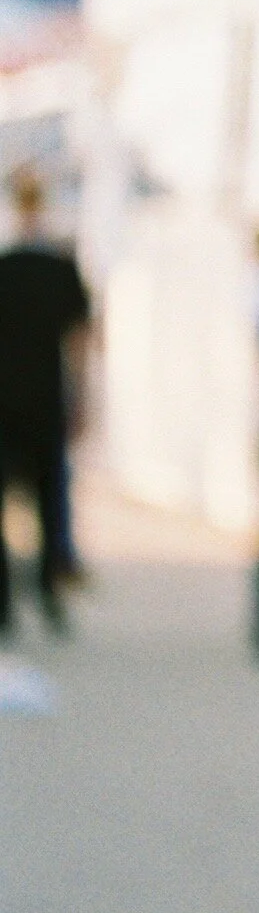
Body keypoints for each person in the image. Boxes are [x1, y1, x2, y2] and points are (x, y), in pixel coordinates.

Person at [0, 166, 90, 635]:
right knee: (50, 497)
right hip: (45, 397)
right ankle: (49, 586)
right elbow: (78, 340)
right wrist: (81, 395)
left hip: (7, 399)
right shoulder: (60, 268)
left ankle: (6, 601)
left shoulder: (7, 266)